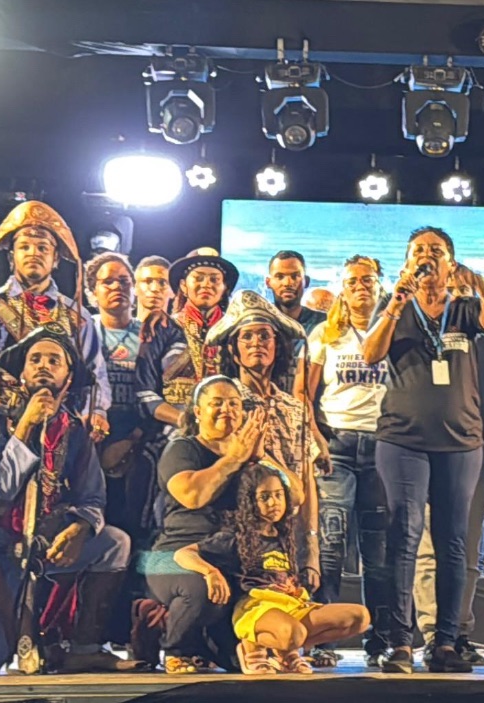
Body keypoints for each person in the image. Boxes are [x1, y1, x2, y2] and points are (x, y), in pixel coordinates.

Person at [0, 325, 139, 674]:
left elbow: (93, 495)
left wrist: (80, 527)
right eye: (35, 359)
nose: (43, 366)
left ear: (68, 376)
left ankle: (84, 647)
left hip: (44, 543)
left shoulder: (73, 429)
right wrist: (25, 427)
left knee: (115, 543)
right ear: (22, 372)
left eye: (54, 360)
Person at [363, 226, 484, 674]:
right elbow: (370, 354)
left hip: (460, 441)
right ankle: (399, 643)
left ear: (450, 262)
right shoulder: (394, 305)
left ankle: (445, 642)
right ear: (407, 262)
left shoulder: (465, 308)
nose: (427, 257)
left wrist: (479, 284)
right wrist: (394, 304)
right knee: (404, 535)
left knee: (453, 541)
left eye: (436, 251)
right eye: (419, 251)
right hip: (403, 439)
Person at [174, 464, 371, 675]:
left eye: (278, 495)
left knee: (359, 617)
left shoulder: (286, 535)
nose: (274, 503)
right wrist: (210, 572)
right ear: (250, 501)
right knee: (294, 633)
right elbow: (182, 554)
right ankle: (253, 647)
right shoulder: (234, 537)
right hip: (256, 608)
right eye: (265, 497)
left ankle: (285, 652)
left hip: (291, 606)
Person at [0, 201, 110, 441]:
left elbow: (95, 374)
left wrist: (95, 412)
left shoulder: (78, 316)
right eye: (24, 247)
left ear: (56, 259)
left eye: (42, 247)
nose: (33, 253)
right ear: (11, 257)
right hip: (1, 429)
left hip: (62, 431)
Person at [305, 255, 393, 667]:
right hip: (336, 447)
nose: (361, 287)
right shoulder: (325, 333)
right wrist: (316, 438)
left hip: (382, 447)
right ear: (342, 287)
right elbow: (304, 394)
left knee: (379, 551)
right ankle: (322, 641)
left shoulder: (392, 330)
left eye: (368, 280)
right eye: (353, 281)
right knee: (331, 545)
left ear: (380, 286)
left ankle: (382, 640)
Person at [414, 262, 484, 668]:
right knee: (428, 549)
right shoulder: (424, 336)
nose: (460, 297)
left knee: (468, 549)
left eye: (467, 290)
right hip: (426, 450)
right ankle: (433, 632)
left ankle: (459, 631)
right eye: (454, 289)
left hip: (473, 454)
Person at [146, 375, 266, 674]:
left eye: (234, 403)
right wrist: (232, 460)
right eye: (217, 403)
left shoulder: (244, 453)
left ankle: (209, 646)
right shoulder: (182, 449)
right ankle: (175, 649)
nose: (227, 409)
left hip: (229, 554)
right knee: (202, 591)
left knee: (240, 659)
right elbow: (193, 495)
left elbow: (294, 495)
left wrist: (261, 459)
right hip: (173, 556)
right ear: (198, 412)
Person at [211, 290, 322, 603]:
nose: (256, 343)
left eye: (264, 335)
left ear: (277, 346)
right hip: (241, 536)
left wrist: (311, 548)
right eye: (246, 336)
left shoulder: (294, 408)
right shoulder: (225, 405)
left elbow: (307, 480)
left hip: (287, 536)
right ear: (234, 349)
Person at [86, 253, 157, 545]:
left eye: (124, 281)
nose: (117, 287)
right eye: (107, 282)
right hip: (91, 437)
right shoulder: (83, 330)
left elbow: (162, 391)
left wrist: (135, 437)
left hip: (140, 437)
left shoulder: (152, 335)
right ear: (92, 292)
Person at [136, 251, 238, 428]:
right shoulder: (163, 327)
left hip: (225, 430)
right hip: (172, 431)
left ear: (224, 288)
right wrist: (186, 422)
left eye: (214, 279)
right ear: (183, 286)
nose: (206, 284)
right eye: (198, 278)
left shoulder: (235, 333)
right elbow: (144, 392)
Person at [267, 251, 327, 335]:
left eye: (295, 276)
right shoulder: (258, 323)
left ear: (306, 281)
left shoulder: (325, 323)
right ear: (268, 282)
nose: (287, 283)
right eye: (280, 277)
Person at [135, 255, 174, 324]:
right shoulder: (117, 328)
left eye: (162, 283)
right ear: (135, 287)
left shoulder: (183, 330)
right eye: (147, 281)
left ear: (173, 291)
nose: (154, 288)